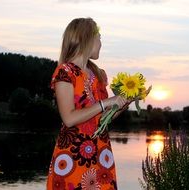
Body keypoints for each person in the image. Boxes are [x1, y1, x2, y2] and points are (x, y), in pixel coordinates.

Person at [47, 17, 129, 190]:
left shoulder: (98, 75)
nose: (101, 44)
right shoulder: (65, 72)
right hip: (74, 155)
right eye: (99, 38)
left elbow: (103, 120)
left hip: (101, 152)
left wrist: (124, 103)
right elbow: (69, 118)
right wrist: (106, 102)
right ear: (86, 39)